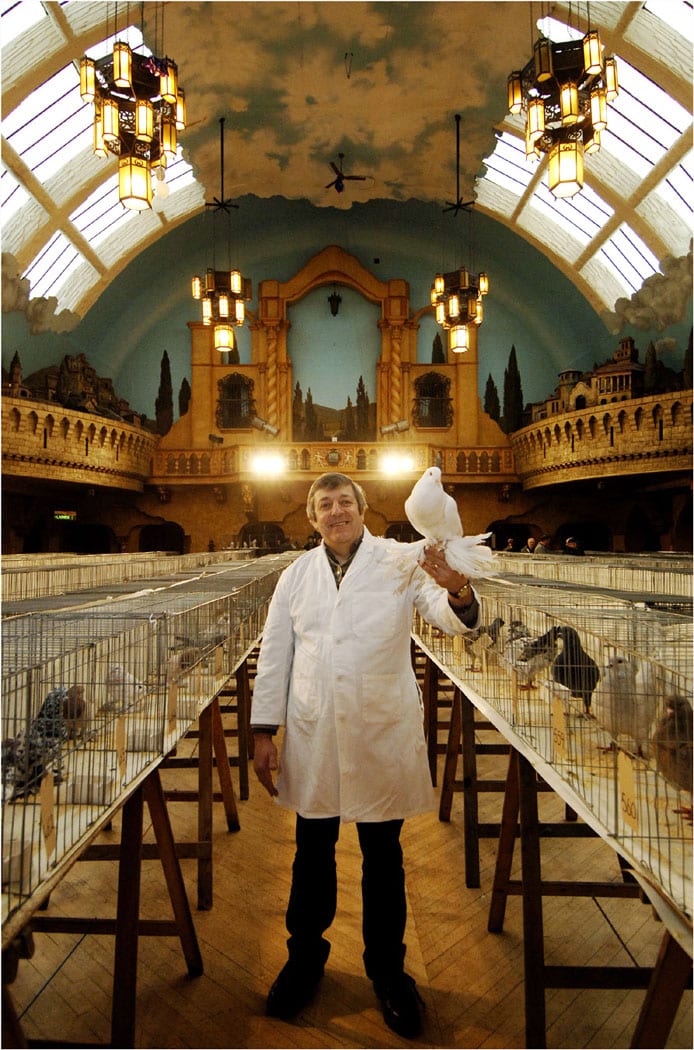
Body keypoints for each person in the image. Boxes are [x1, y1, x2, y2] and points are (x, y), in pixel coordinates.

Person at [250, 472, 481, 1038]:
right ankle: (304, 961)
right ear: (312, 517)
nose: (336, 512)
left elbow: (447, 616)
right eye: (324, 505)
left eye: (345, 502)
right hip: (316, 728)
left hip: (379, 726)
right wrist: (262, 731)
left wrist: (458, 589)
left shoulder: (400, 561)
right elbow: (276, 651)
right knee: (312, 853)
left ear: (362, 509)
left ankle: (388, 973)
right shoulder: (295, 576)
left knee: (383, 855)